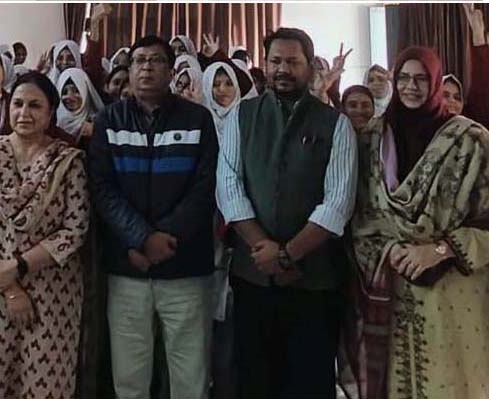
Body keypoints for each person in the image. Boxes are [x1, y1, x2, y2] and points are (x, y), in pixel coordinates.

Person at [216, 27, 357, 399]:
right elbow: (229, 187)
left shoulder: (336, 124)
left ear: (310, 67)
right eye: (275, 61)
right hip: (254, 277)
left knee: (309, 382)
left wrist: (287, 253)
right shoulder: (240, 116)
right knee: (254, 380)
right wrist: (265, 248)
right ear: (265, 64)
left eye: (292, 62)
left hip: (313, 281)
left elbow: (338, 202)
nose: (282, 69)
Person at [344, 45, 489, 399]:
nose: (411, 86)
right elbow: (359, 214)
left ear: (435, 81)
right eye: (404, 78)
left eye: (421, 78)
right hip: (391, 286)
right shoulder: (371, 139)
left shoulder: (472, 141)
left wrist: (440, 250)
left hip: (454, 291)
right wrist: (389, 249)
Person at [88, 35, 219, 399]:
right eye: (139, 61)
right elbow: (102, 189)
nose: (147, 67)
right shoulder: (108, 120)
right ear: (128, 71)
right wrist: (141, 238)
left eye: (156, 60)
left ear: (171, 69)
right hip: (128, 267)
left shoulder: (198, 119)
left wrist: (164, 239)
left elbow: (205, 188)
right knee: (129, 377)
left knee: (189, 375)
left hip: (185, 267)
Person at [0, 71, 89, 399]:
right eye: (17, 104)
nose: (24, 113)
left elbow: (74, 229)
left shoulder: (68, 162)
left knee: (45, 385)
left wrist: (18, 266)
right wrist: (10, 287)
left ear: (50, 113)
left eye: (35, 105)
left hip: (51, 294)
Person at [57, 67, 104, 142]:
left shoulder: (97, 124)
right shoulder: (54, 123)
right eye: (64, 92)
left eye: (76, 91)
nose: (70, 97)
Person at [202, 62, 242, 134]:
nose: (223, 89)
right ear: (207, 88)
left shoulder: (246, 118)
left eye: (229, 84)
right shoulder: (201, 121)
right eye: (216, 85)